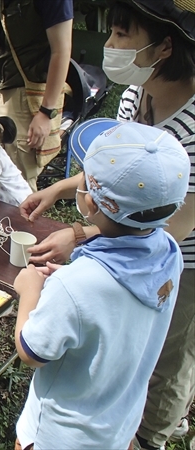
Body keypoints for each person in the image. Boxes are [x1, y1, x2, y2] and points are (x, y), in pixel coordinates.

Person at [19, 2, 195, 448]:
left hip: (179, 253)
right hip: (142, 237)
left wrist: (78, 235)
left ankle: (150, 437)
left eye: (121, 36)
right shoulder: (138, 90)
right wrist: (61, 189)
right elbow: (118, 166)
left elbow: (173, 225)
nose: (110, 46)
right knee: (122, 351)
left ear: (164, 47)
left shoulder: (192, 126)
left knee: (164, 355)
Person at [13, 120, 190, 450]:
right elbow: (110, 309)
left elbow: (32, 351)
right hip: (117, 430)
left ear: (90, 204)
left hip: (57, 438)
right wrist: (72, 291)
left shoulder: (75, 285)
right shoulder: (170, 253)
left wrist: (30, 291)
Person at [0, 0, 73, 192]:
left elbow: (61, 50)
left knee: (18, 179)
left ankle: (15, 223)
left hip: (27, 94)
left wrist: (46, 112)